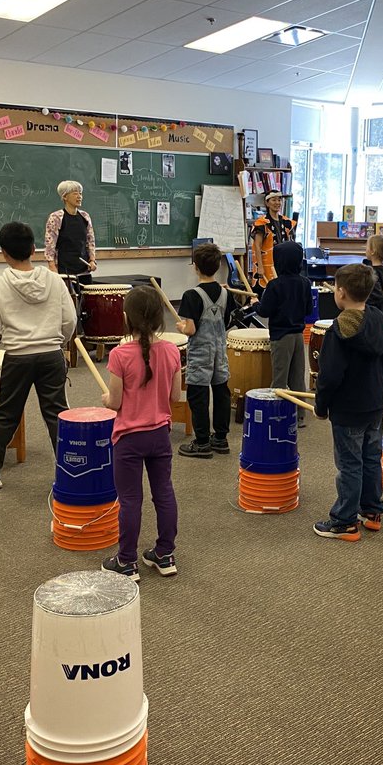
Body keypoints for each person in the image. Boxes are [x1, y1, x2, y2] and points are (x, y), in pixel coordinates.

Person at [0, 222, 77, 491]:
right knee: (58, 415)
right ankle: (70, 473)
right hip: (50, 355)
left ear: (3, 253)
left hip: (17, 358)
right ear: (34, 249)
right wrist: (59, 343)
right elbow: (70, 320)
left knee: (6, 414)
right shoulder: (55, 281)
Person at [102, 287, 182, 580]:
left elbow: (115, 402)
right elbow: (175, 397)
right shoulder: (172, 350)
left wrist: (105, 399)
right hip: (160, 435)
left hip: (129, 439)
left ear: (126, 318)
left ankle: (127, 561)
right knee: (164, 493)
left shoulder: (119, 355)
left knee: (130, 499)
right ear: (160, 318)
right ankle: (165, 554)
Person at [313, 264, 383, 542]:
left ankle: (344, 521)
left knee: (349, 464)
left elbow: (330, 375)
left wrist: (321, 406)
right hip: (375, 403)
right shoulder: (378, 318)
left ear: (341, 292)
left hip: (348, 409)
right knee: (371, 458)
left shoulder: (339, 330)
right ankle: (372, 511)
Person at [176, 243, 240, 458]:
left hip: (200, 354)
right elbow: (227, 321)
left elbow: (191, 329)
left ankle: (202, 442)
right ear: (218, 266)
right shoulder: (225, 293)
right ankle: (220, 438)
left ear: (196, 267)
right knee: (221, 392)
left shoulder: (191, 295)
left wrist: (181, 327)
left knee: (198, 396)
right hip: (220, 351)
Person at [254, 241, 310, 426]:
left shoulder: (275, 285)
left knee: (280, 377)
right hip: (298, 336)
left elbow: (264, 311)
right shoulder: (305, 283)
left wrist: (255, 303)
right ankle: (299, 415)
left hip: (281, 338)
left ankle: (277, 415)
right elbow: (309, 310)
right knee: (297, 377)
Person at [44, 180, 96, 280]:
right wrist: (52, 266)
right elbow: (50, 244)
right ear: (65, 197)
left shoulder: (85, 216)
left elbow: (90, 241)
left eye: (80, 193)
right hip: (64, 270)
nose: (79, 196)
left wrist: (92, 260)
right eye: (75, 193)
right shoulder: (56, 217)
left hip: (83, 270)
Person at [250, 190, 295, 290]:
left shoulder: (286, 221)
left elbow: (290, 243)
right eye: (274, 200)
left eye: (279, 200)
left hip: (282, 264)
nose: (277, 203)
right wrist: (260, 266)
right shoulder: (262, 222)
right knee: (266, 291)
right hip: (267, 264)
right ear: (267, 203)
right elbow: (257, 245)